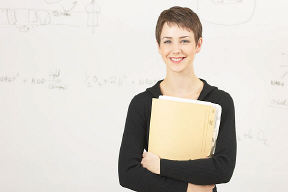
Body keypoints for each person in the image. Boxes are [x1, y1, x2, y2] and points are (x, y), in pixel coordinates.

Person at [118, 6, 236, 192]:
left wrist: (160, 166)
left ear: (198, 45)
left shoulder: (220, 101)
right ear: (158, 46)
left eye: (184, 41)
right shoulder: (142, 103)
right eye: (168, 41)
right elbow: (128, 174)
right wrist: (188, 188)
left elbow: (222, 169)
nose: (176, 50)